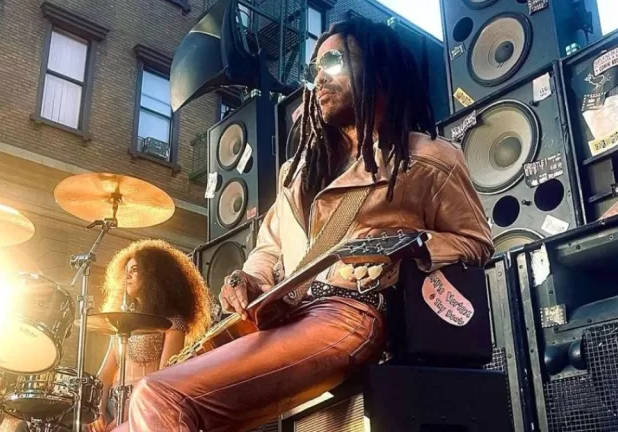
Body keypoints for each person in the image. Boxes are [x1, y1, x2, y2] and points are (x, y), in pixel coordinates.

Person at [115, 17, 494, 432]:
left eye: (333, 62)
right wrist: (248, 279)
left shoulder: (427, 158)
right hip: (287, 316)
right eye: (314, 69)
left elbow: (476, 241)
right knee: (131, 419)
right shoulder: (297, 173)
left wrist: (412, 243)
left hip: (350, 314)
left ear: (377, 70)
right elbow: (269, 248)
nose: (319, 79)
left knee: (159, 394)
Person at [88, 239, 212, 432]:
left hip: (147, 408)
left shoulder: (173, 323)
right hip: (113, 408)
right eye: (126, 270)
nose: (128, 275)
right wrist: (97, 411)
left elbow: (161, 381)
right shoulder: (122, 321)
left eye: (135, 269)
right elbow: (105, 375)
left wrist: (126, 417)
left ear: (153, 275)